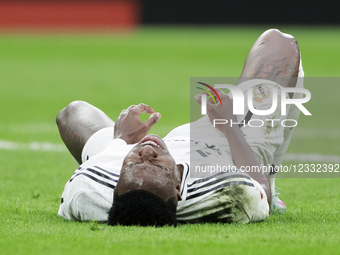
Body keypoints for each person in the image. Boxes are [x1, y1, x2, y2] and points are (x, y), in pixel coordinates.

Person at [57, 29, 304, 226]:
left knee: (73, 114)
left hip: (131, 163)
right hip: (225, 149)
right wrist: (228, 124)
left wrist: (121, 141)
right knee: (279, 43)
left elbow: (121, 164)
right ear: (178, 189)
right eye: (156, 165)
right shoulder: (227, 194)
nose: (146, 152)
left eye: (134, 163)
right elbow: (258, 188)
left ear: (116, 186)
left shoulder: (88, 192)